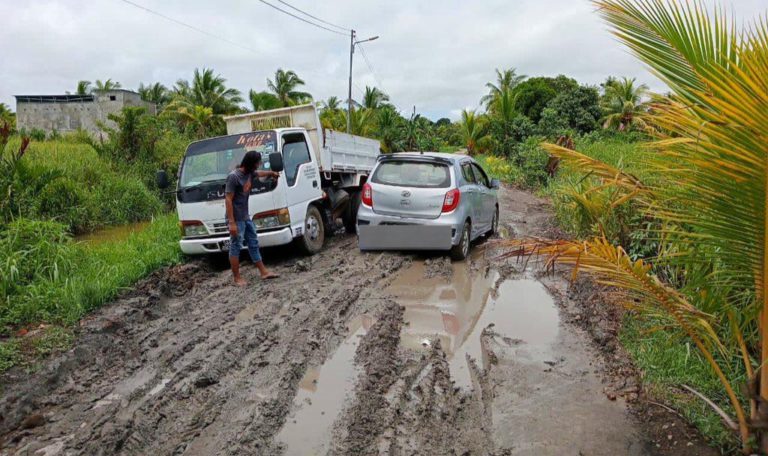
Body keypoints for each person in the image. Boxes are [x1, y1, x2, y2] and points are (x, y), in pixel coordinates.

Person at [225, 150, 280, 286]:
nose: (259, 165)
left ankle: (264, 272)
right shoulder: (234, 177)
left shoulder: (250, 173)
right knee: (236, 246)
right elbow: (228, 199)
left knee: (253, 242)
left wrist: (271, 173)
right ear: (250, 163)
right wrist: (231, 223)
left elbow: (259, 173)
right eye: (257, 163)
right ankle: (237, 278)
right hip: (236, 219)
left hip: (245, 217)